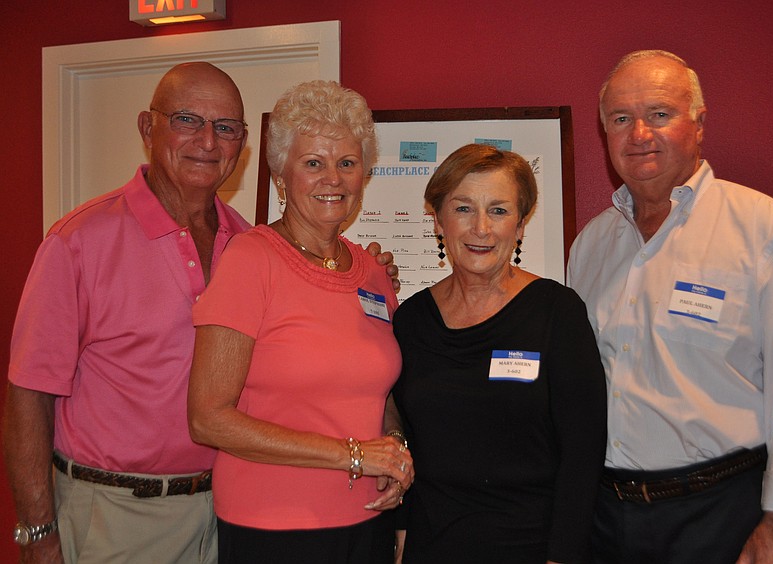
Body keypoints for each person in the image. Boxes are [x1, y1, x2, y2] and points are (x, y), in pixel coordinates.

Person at [3, 64, 397, 564]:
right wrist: (37, 533)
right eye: (187, 120)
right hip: (119, 510)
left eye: (226, 127)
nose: (208, 142)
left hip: (227, 505)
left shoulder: (248, 240)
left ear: (243, 145)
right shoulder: (79, 241)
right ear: (148, 127)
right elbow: (29, 392)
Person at [567, 50, 773, 564]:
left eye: (659, 114)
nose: (639, 134)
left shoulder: (762, 228)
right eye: (621, 119)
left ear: (699, 124)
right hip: (605, 519)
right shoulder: (591, 246)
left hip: (722, 515)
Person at [186, 80, 414, 564]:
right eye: (313, 163)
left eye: (347, 163)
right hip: (274, 525)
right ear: (281, 176)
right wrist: (353, 455)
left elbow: (380, 389)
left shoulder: (373, 272)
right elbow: (208, 419)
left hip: (367, 519)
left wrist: (393, 447)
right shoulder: (252, 259)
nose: (333, 178)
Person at [391, 143, 608, 564]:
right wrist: (400, 527)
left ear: (520, 225)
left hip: (531, 546)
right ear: (437, 220)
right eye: (463, 208)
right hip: (431, 544)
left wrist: (562, 555)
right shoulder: (412, 320)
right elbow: (403, 435)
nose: (481, 228)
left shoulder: (557, 312)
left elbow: (583, 453)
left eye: (499, 210)